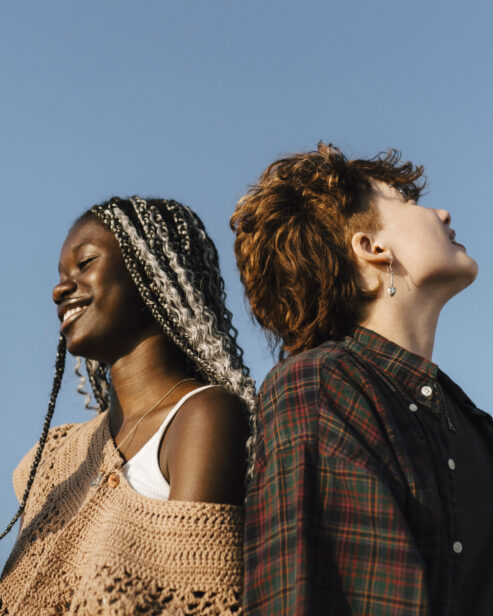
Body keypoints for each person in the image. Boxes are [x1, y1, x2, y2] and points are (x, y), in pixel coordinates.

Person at [231, 143, 493, 615]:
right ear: (371, 250)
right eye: (407, 202)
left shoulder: (469, 422)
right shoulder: (318, 386)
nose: (442, 211)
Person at [0, 196, 256, 615]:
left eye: (85, 264)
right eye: (62, 275)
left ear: (150, 274)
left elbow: (192, 601)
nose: (59, 289)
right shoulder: (56, 458)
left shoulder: (202, 416)